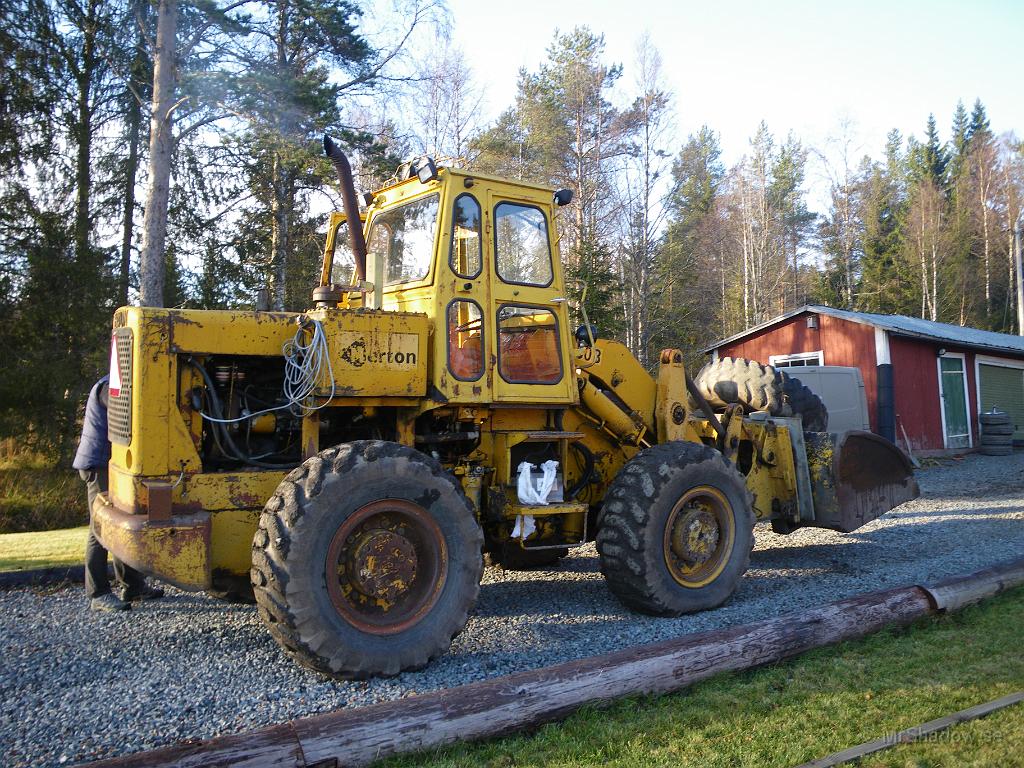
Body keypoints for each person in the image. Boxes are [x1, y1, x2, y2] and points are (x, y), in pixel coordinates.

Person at [73, 375, 164, 612]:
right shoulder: (110, 385)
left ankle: (132, 585)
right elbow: (125, 415)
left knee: (120, 524)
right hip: (100, 464)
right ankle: (98, 593)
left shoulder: (112, 383)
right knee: (99, 528)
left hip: (108, 462)